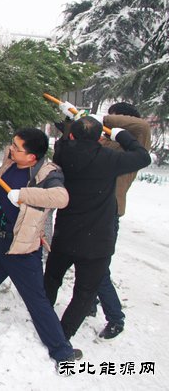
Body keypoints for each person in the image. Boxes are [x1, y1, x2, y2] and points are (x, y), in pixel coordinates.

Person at [0, 128, 81, 367]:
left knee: (36, 300)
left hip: (22, 248)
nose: (11, 149)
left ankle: (62, 352)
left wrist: (24, 195)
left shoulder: (47, 173)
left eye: (17, 147)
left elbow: (61, 198)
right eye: (12, 144)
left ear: (32, 157)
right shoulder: (10, 164)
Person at [43, 116, 151, 342]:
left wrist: (69, 125)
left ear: (73, 135)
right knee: (84, 292)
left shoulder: (63, 153)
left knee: (51, 279)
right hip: (96, 240)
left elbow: (65, 140)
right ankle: (63, 334)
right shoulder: (110, 159)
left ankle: (42, 320)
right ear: (100, 137)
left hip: (66, 234)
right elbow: (143, 157)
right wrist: (122, 136)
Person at [88, 102, 151, 339]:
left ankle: (115, 317)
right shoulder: (110, 142)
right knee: (86, 260)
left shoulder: (136, 144)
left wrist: (104, 119)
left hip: (108, 212)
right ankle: (89, 303)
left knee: (98, 268)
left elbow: (142, 125)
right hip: (91, 209)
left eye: (115, 117)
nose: (109, 121)